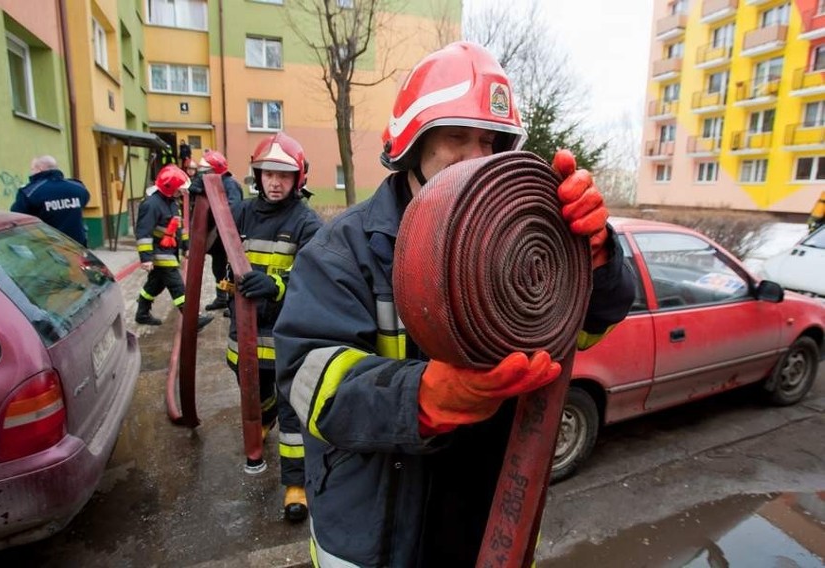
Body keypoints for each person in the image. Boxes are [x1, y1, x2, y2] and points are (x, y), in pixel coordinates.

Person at [273, 41, 636, 566]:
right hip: (380, 538)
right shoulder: (343, 251)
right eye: (457, 138)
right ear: (412, 147)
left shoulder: (512, 237)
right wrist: (422, 397)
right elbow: (307, 383)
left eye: (490, 141)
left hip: (487, 525)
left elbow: (581, 331)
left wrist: (596, 263)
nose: (477, 158)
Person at [225, 133, 322, 524]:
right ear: (258, 175)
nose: (275, 183)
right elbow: (212, 240)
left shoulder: (306, 222)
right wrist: (201, 195)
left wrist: (277, 285)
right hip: (244, 339)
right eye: (268, 174)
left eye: (284, 175)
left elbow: (314, 280)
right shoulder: (244, 213)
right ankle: (263, 420)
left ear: (298, 178)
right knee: (253, 391)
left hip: (285, 339)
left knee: (291, 415)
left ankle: (295, 485)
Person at [135, 164, 213, 330]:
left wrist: (186, 247)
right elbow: (144, 233)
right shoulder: (151, 205)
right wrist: (146, 258)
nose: (182, 192)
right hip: (161, 255)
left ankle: (141, 313)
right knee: (178, 286)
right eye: (179, 189)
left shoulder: (171, 203)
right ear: (169, 187)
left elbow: (180, 228)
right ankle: (193, 320)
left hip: (169, 252)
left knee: (154, 285)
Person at [191, 150, 244, 315]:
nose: (202, 175)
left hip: (227, 237)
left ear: (216, 170)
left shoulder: (230, 184)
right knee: (218, 268)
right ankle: (222, 298)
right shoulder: (211, 182)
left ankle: (233, 303)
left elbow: (232, 211)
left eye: (205, 171)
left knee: (232, 271)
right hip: (217, 238)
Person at [11, 155, 90, 246]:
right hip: (77, 245)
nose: (31, 173)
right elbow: (84, 202)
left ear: (39, 169)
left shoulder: (30, 192)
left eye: (32, 169)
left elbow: (17, 216)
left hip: (48, 249)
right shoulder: (78, 188)